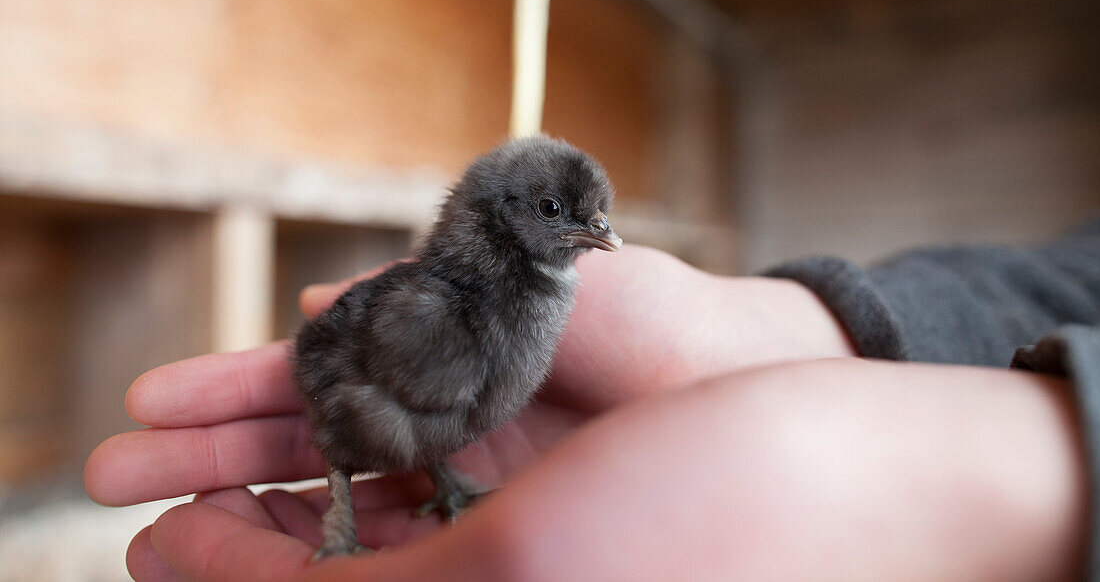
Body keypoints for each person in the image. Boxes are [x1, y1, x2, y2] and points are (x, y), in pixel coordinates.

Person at [84, 220, 1100, 581]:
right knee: (384, 406)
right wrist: (827, 328)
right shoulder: (444, 310)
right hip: (377, 392)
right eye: (568, 217)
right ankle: (367, 492)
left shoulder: (530, 313)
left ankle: (431, 473)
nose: (594, 234)